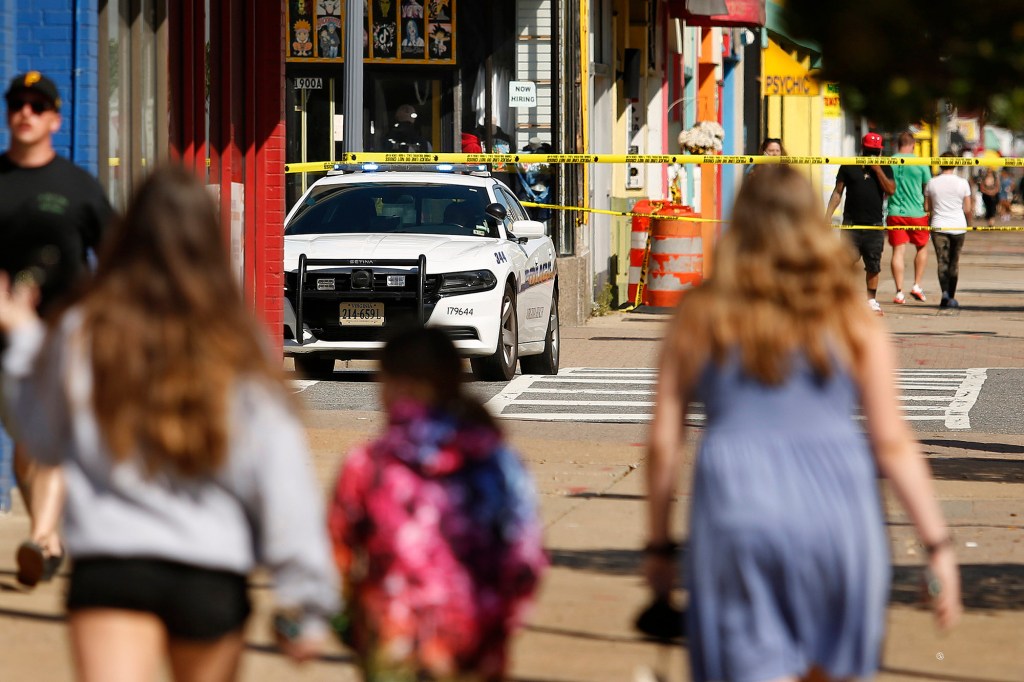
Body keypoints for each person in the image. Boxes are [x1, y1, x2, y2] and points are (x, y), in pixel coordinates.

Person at [0, 165, 338, 680]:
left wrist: (22, 339)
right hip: (210, 569)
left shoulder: (82, 330)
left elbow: (41, 439)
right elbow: (281, 478)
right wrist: (306, 598)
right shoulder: (235, 343)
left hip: (112, 565)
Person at [644, 165, 961, 682]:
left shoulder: (701, 315)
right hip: (838, 512)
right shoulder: (850, 316)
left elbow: (663, 443)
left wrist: (658, 547)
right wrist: (937, 547)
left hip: (737, 509)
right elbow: (892, 441)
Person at [329, 326, 546, 681]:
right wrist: (503, 620)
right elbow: (525, 555)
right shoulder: (497, 462)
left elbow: (336, 551)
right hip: (475, 639)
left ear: (396, 385)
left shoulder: (369, 465)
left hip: (391, 643)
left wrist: (348, 616)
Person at [0, 71, 114, 587]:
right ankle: (49, 539)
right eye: (17, 104)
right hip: (5, 338)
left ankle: (41, 536)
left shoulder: (77, 187)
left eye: (37, 105)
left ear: (54, 119)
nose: (26, 112)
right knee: (25, 450)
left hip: (66, 333)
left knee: (54, 437)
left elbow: (116, 255)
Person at [826, 132, 896, 316]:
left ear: (880, 151)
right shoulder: (849, 166)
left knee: (873, 265)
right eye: (869, 151)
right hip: (851, 224)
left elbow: (891, 190)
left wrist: (878, 169)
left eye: (875, 151)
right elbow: (837, 192)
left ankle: (871, 300)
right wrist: (827, 217)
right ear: (862, 149)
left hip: (873, 224)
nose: (872, 155)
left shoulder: (885, 167)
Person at [886, 131, 932, 304]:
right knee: (922, 247)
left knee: (898, 251)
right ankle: (917, 285)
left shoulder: (890, 161)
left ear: (898, 144)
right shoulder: (920, 162)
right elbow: (927, 187)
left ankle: (899, 291)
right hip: (917, 212)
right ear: (913, 144)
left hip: (895, 211)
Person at [926, 152, 973, 308]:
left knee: (942, 261)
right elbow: (967, 208)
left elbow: (927, 207)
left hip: (939, 225)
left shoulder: (932, 183)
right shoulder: (963, 183)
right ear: (954, 164)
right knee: (954, 262)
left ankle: (945, 294)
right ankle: (952, 296)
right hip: (958, 226)